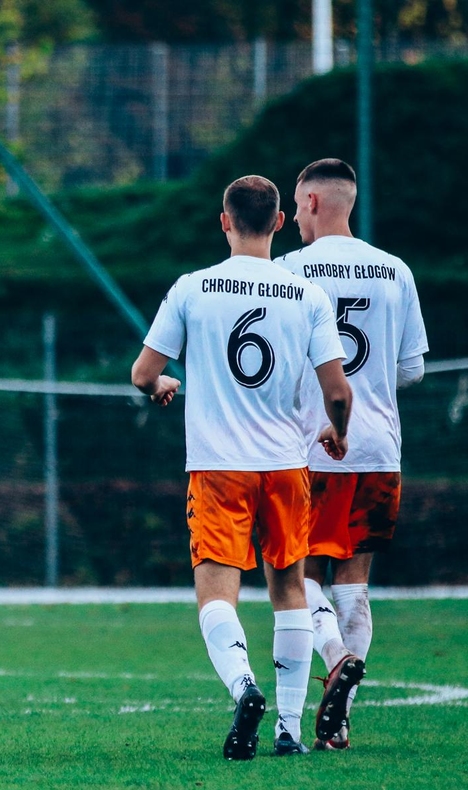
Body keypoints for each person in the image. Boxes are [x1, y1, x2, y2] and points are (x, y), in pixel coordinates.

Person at [130, 175, 353, 760]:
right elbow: (338, 392)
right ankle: (289, 729)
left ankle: (243, 685)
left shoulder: (192, 288)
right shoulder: (307, 295)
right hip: (285, 465)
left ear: (224, 221)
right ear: (279, 222)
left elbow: (142, 373)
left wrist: (161, 384)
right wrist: (338, 430)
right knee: (291, 591)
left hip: (218, 466)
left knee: (216, 595)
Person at [275, 158, 429, 750]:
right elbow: (411, 370)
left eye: (297, 207)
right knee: (355, 583)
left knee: (298, 574)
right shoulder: (395, 270)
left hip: (311, 445)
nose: (295, 221)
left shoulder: (288, 271)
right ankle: (338, 722)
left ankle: (336, 655)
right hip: (378, 447)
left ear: (312, 202)